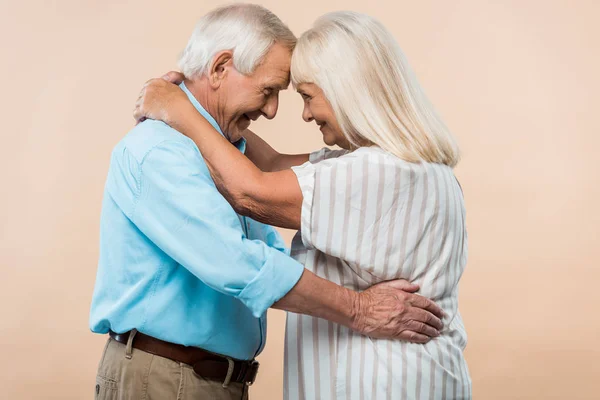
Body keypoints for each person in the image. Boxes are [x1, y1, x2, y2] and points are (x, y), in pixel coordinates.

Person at [91, 5, 444, 400]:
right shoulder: (160, 152)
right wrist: (360, 308)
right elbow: (238, 264)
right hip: (165, 379)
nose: (274, 110)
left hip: (210, 381)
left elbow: (270, 235)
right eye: (269, 90)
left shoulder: (227, 155)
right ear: (221, 67)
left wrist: (184, 109)